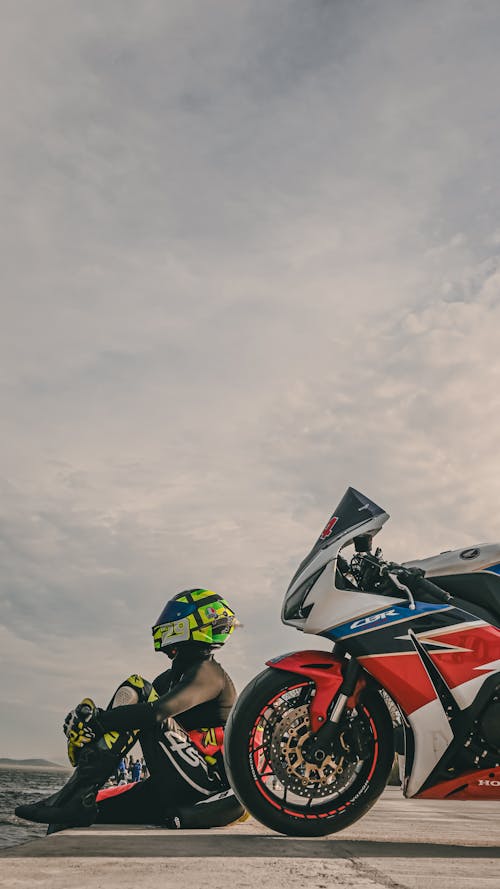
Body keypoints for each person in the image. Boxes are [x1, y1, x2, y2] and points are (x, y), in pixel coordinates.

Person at [16, 589, 245, 830]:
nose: (165, 622)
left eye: (174, 615)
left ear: (197, 624)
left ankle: (76, 793)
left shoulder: (208, 672)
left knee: (137, 688)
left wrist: (98, 721)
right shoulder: (168, 679)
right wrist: (85, 725)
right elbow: (129, 720)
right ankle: (76, 796)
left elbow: (156, 713)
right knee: (75, 818)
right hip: (169, 784)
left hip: (207, 786)